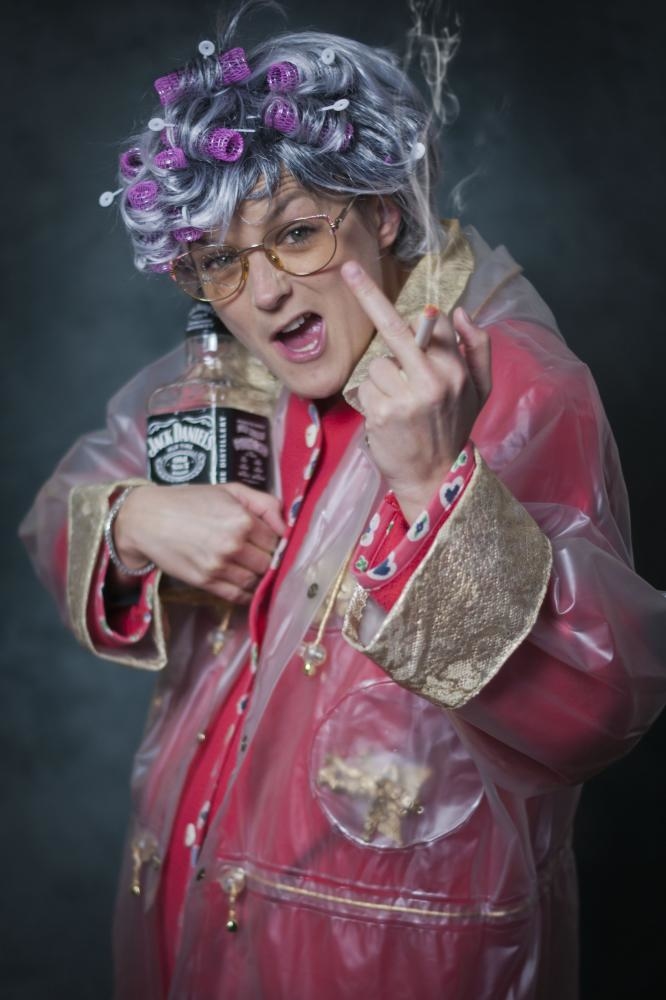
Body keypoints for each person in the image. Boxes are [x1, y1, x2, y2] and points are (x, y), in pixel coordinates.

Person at [19, 2, 666, 997]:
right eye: (222, 259)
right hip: (192, 920)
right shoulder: (230, 385)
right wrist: (136, 521)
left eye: (297, 235)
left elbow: (598, 710)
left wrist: (433, 484)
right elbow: (63, 509)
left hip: (395, 956)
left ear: (384, 212)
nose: (265, 294)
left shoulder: (514, 383)